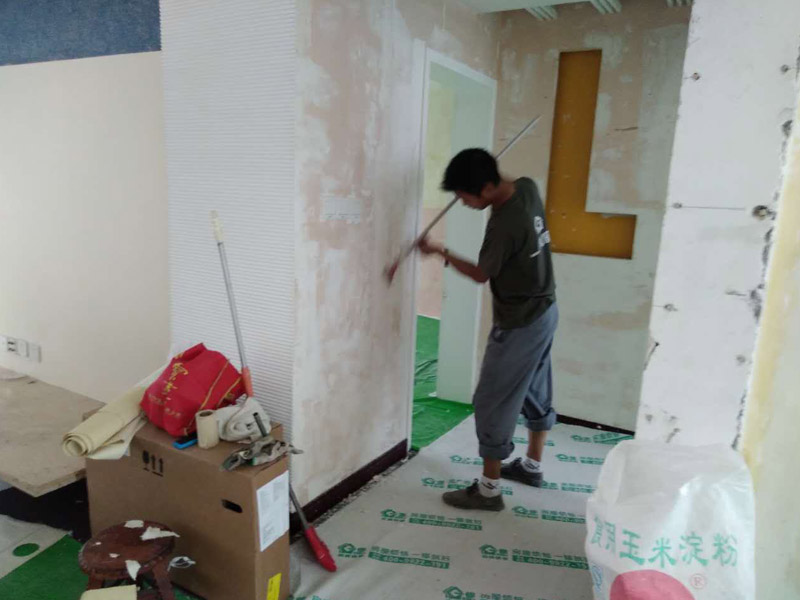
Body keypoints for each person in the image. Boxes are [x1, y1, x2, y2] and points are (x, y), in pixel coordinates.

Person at [417, 148, 558, 511]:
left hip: (520, 321)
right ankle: (531, 466)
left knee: (491, 399)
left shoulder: (504, 225)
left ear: (485, 187)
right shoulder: (526, 187)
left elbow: (481, 274)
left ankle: (489, 490)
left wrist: (439, 251)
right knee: (534, 388)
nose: (463, 204)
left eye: (465, 196)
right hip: (545, 310)